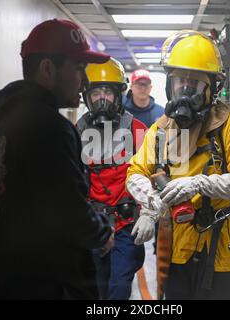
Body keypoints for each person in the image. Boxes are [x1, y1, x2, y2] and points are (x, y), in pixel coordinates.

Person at [0, 19, 114, 300]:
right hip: (49, 285)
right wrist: (102, 231)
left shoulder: (3, 122)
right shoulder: (49, 127)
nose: (85, 81)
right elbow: (70, 212)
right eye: (78, 69)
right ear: (47, 69)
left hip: (12, 280)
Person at [126, 30, 230, 300]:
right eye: (180, 82)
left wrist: (198, 183)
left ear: (212, 87)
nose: (186, 91)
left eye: (195, 84)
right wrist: (151, 207)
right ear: (169, 85)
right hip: (175, 249)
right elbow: (135, 173)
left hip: (219, 250)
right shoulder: (160, 130)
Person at [76, 58, 148, 300]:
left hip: (126, 224)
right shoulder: (77, 132)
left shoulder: (137, 130)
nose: (102, 99)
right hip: (92, 224)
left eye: (108, 91)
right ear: (86, 95)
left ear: (119, 94)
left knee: (118, 288)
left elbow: (151, 175)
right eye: (96, 92)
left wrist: (149, 214)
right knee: (96, 289)